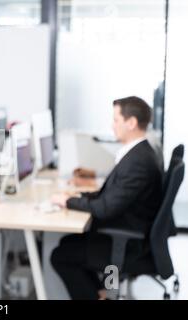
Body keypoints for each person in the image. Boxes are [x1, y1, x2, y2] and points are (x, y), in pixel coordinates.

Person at [50, 96, 163, 300]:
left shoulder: (138, 161)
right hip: (128, 232)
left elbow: (105, 208)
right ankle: (102, 294)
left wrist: (68, 202)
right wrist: (79, 195)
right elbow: (112, 194)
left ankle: (100, 295)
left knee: (61, 256)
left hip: (127, 244)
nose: (112, 126)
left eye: (116, 120)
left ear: (131, 123)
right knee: (66, 243)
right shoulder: (138, 153)